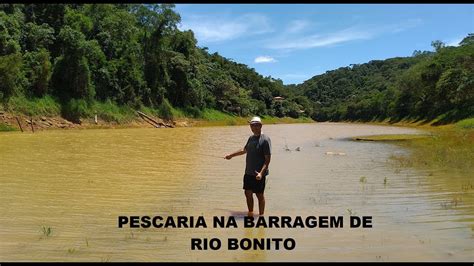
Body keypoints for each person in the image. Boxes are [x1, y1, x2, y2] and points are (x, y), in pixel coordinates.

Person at [224, 116, 271, 216]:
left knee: (259, 195)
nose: (253, 128)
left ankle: (261, 216)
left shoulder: (265, 140)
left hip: (259, 174)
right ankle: (250, 213)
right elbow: (244, 150)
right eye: (251, 125)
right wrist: (231, 155)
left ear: (260, 126)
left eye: (255, 125)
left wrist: (261, 173)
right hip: (248, 172)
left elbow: (267, 160)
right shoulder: (251, 138)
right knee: (247, 193)